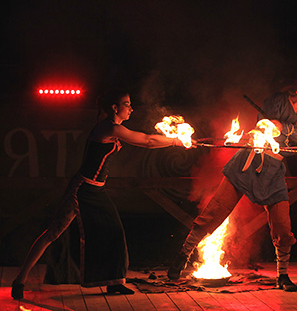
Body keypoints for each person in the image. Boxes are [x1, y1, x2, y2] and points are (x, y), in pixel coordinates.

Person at [11, 89, 185, 299]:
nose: (131, 108)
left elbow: (147, 140)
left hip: (96, 190)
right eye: (127, 104)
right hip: (82, 189)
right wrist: (176, 141)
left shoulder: (114, 127)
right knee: (53, 232)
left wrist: (179, 140)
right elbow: (147, 141)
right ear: (115, 107)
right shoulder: (108, 128)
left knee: (114, 232)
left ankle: (113, 282)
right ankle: (19, 280)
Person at [167, 78, 297, 292]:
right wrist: (284, 131)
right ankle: (182, 257)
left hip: (274, 172)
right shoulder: (278, 100)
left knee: (283, 225)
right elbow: (265, 127)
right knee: (214, 212)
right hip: (247, 164)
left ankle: (283, 275)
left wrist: (284, 128)